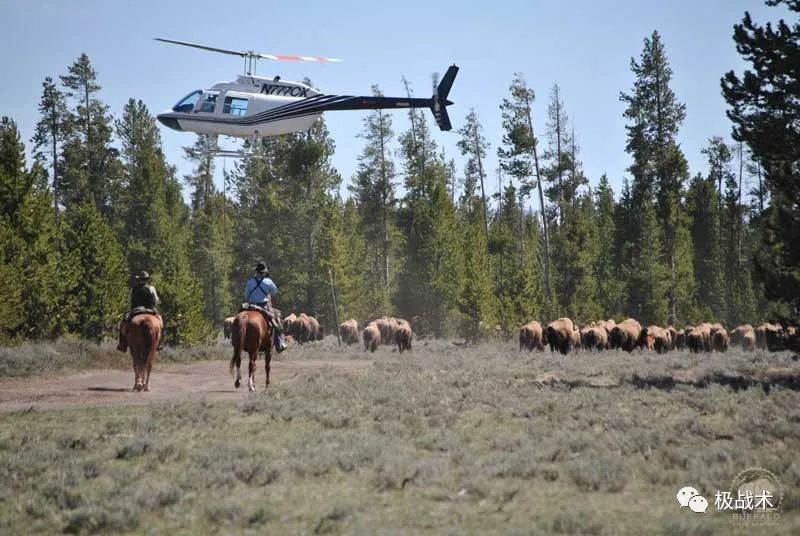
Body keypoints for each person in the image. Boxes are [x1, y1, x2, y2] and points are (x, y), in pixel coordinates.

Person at [244, 261, 286, 352]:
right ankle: (279, 344)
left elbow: (246, 296)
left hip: (251, 306)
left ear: (256, 272)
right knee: (276, 323)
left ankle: (236, 341)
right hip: (264, 307)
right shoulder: (268, 281)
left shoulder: (250, 282)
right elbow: (274, 292)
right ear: (264, 272)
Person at [117, 270, 163, 352]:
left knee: (123, 323)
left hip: (136, 310)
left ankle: (122, 344)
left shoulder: (133, 289)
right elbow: (156, 301)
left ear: (139, 279)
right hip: (150, 309)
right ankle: (160, 342)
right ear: (147, 279)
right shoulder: (151, 288)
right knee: (160, 322)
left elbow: (130, 300)